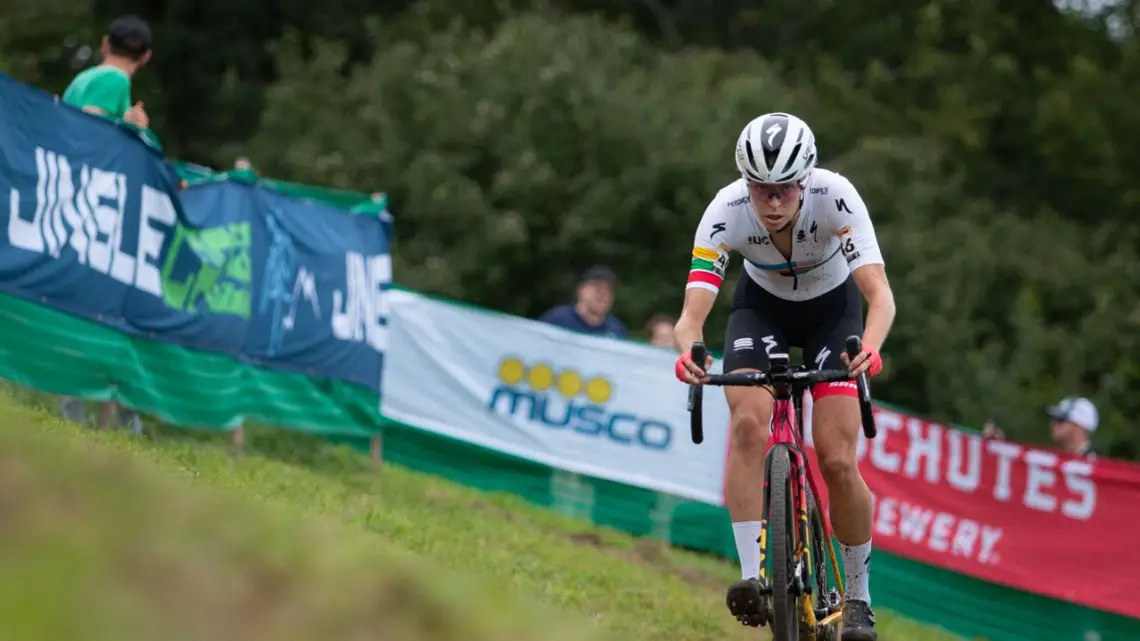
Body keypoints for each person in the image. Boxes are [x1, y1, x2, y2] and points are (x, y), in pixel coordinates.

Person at [672, 112, 895, 640]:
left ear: (806, 180)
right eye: (761, 190)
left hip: (832, 313)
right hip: (761, 311)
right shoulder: (725, 212)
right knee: (749, 426)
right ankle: (753, 577)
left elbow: (880, 296)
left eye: (784, 191)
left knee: (838, 458)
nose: (772, 203)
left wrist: (871, 347)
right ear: (746, 184)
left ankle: (859, 598)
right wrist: (691, 354)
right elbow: (690, 320)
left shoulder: (836, 196)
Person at [61, 15, 153, 129]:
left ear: (104, 44)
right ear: (146, 57)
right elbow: (91, 128)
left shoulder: (84, 77)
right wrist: (129, 125)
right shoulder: (115, 79)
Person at [538, 266, 627, 338]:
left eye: (609, 290)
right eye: (597, 288)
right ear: (581, 290)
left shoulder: (616, 330)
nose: (604, 295)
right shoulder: (557, 320)